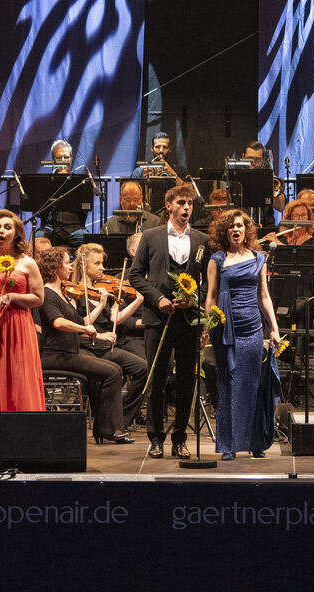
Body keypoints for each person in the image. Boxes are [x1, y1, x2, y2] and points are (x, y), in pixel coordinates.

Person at [127, 182, 210, 459]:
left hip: (187, 319)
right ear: (169, 206)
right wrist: (157, 299)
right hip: (158, 318)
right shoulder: (150, 236)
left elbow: (208, 282)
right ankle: (156, 438)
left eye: (190, 204)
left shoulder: (201, 240)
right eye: (181, 203)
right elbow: (135, 275)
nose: (186, 208)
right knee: (157, 379)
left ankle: (179, 438)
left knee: (187, 380)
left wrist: (194, 299)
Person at [205, 209, 279, 460]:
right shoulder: (216, 259)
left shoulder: (259, 258)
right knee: (228, 385)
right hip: (226, 328)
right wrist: (208, 326)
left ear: (246, 230)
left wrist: (274, 329)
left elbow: (264, 296)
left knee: (253, 385)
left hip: (252, 328)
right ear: (225, 232)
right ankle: (228, 444)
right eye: (231, 227)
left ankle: (255, 441)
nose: (236, 230)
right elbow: (211, 296)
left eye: (239, 226)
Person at [37, 247, 131, 445]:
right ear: (55, 267)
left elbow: (82, 322)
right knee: (112, 372)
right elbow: (58, 323)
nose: (71, 266)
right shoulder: (47, 294)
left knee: (113, 369)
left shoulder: (62, 294)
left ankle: (105, 428)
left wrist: (99, 309)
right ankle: (110, 429)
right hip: (55, 355)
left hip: (69, 353)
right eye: (66, 263)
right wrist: (86, 328)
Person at [0, 209, 45, 458]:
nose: (1, 231)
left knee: (19, 382)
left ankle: (23, 441)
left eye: (7, 228)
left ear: (16, 233)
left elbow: (38, 298)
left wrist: (13, 296)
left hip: (18, 326)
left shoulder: (27, 262)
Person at [70, 242, 146, 414]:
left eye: (102, 263)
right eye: (97, 263)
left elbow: (115, 318)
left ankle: (123, 415)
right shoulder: (73, 292)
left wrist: (137, 301)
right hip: (85, 347)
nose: (102, 268)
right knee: (106, 372)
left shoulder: (102, 289)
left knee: (143, 368)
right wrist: (99, 334)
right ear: (83, 265)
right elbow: (78, 326)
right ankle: (106, 417)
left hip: (105, 347)